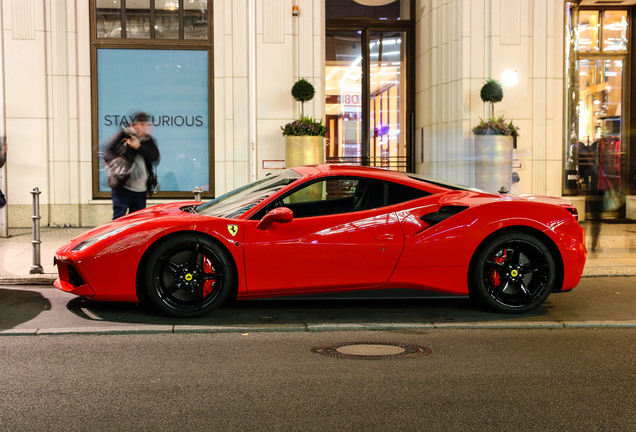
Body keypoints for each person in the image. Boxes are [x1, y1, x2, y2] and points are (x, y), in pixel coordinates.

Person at [103, 112, 160, 219]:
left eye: (146, 124)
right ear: (133, 125)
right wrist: (118, 165)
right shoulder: (122, 136)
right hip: (122, 185)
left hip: (141, 190)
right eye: (141, 124)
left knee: (137, 221)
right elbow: (107, 154)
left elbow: (155, 157)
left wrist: (138, 147)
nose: (144, 127)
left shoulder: (148, 140)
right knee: (119, 219)